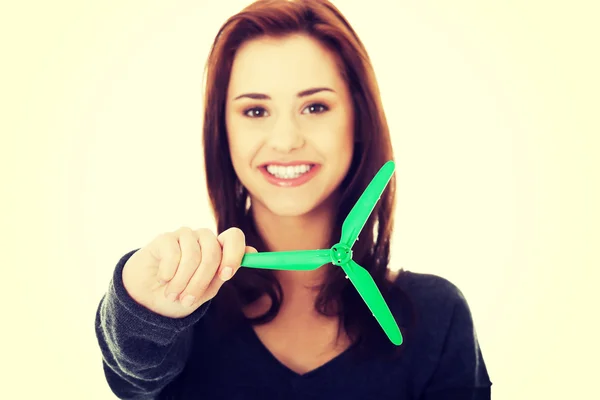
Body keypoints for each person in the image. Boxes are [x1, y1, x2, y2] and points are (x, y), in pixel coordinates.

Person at [95, 0, 492, 398]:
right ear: (223, 131)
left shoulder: (436, 317)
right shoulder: (179, 309)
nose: (286, 140)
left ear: (358, 119)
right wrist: (138, 307)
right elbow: (133, 375)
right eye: (255, 110)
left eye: (315, 106)